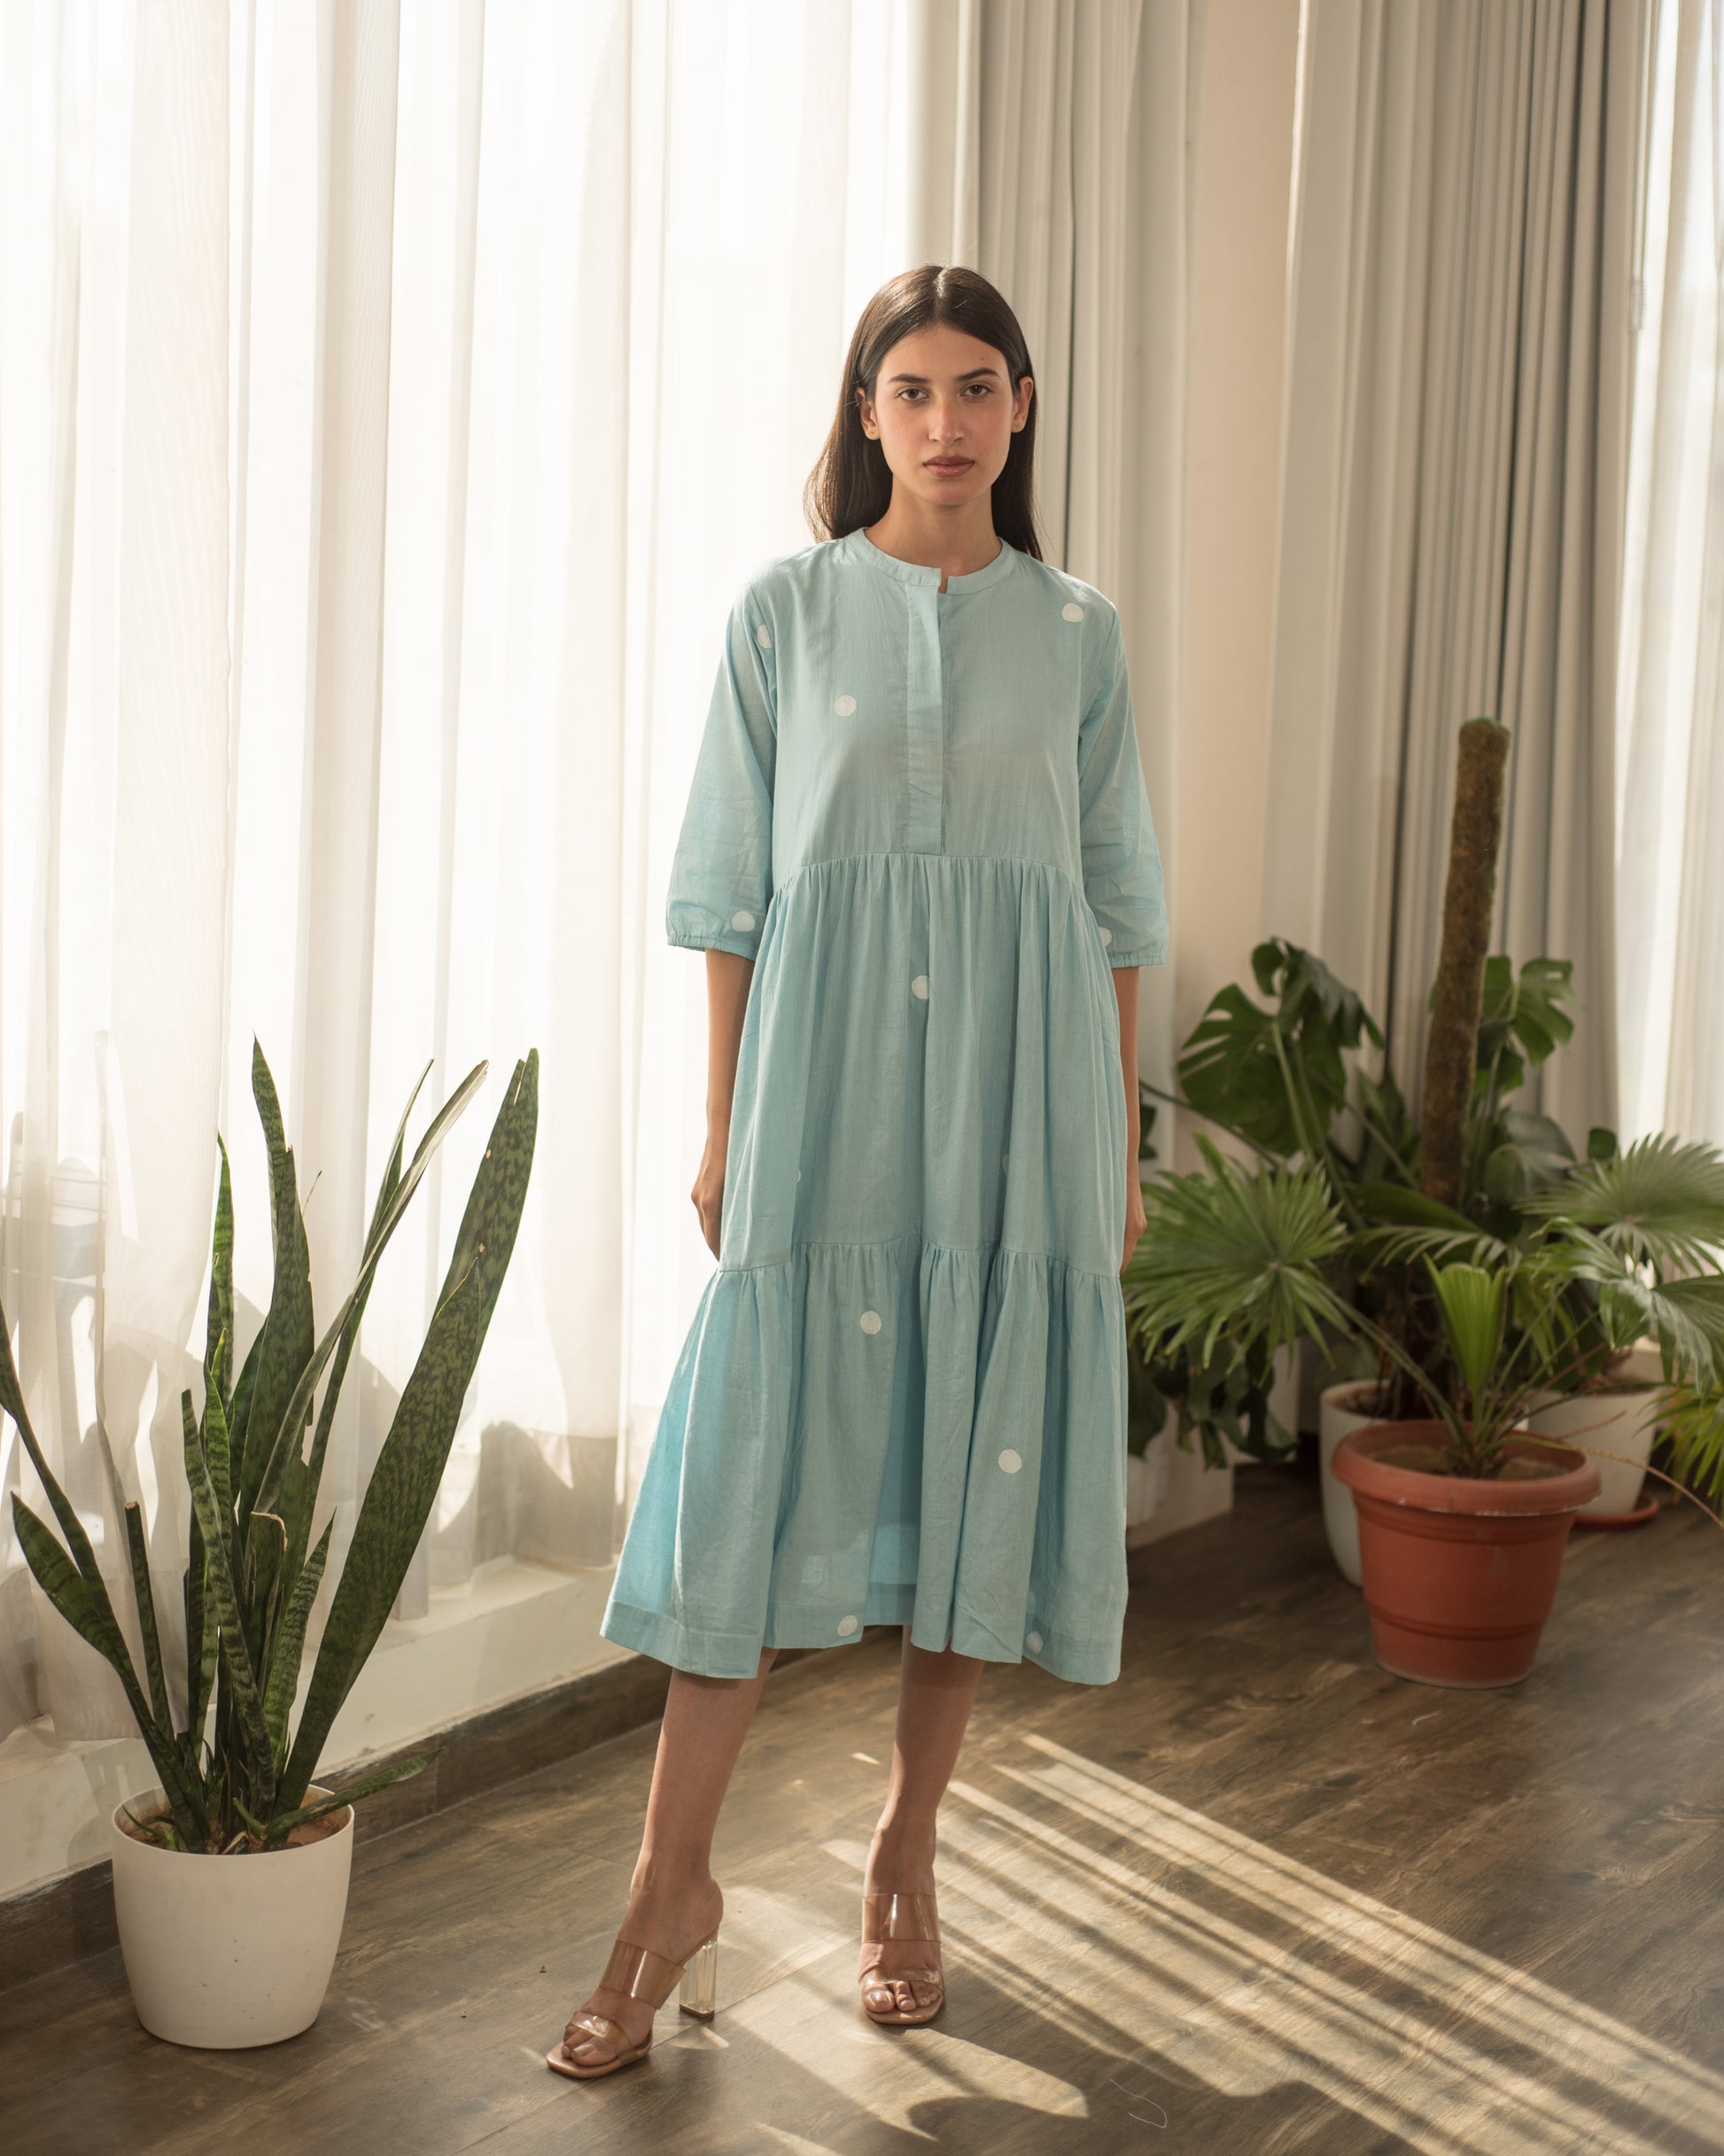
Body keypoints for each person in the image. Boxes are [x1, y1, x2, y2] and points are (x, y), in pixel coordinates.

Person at [547, 263, 1168, 2082]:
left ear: (1021, 406)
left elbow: (1117, 902)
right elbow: (729, 891)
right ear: (866, 412)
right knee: (747, 1482)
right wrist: (722, 1119)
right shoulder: (784, 611)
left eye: (977, 387)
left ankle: (903, 1860)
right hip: (822, 1095)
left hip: (1017, 1106)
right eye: (911, 390)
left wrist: (1114, 1142)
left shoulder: (1079, 633)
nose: (945, 422)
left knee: (969, 1464)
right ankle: (667, 1887)